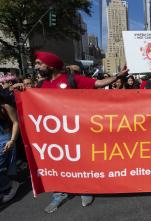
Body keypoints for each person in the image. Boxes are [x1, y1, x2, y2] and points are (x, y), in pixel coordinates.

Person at [33, 51, 129, 213]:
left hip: (76, 132)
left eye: (38, 63)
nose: (36, 67)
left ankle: (85, 188)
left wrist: (117, 76)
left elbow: (98, 83)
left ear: (49, 66)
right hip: (53, 134)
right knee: (58, 163)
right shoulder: (41, 85)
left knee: (80, 159)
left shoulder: (72, 79)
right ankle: (59, 193)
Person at [0, 89, 20, 203]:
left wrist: (12, 140)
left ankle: (11, 185)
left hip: (4, 138)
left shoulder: (5, 106)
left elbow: (15, 122)